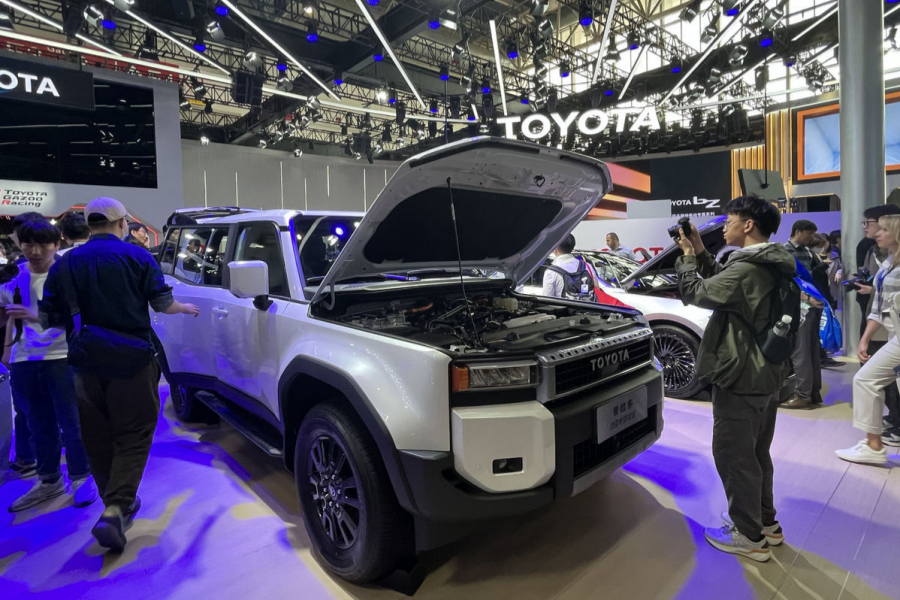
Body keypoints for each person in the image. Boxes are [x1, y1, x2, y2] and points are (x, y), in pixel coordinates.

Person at [39, 197, 199, 552]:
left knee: (96, 435)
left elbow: (48, 319)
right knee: (134, 433)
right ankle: (117, 506)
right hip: (132, 361)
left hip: (84, 363)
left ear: (89, 224)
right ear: (122, 223)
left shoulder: (65, 264)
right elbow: (162, 303)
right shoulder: (138, 256)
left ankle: (115, 503)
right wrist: (186, 307)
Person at [675, 196, 797, 562]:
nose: (723, 225)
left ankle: (748, 536)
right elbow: (730, 290)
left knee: (734, 456)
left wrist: (685, 258)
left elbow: (695, 293)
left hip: (741, 374)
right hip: (767, 372)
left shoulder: (747, 269)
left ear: (748, 225)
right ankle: (766, 524)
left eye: (729, 219)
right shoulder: (769, 262)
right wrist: (699, 250)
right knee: (757, 452)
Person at [1, 219, 98, 511]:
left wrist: (36, 315)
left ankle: (82, 477)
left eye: (43, 243)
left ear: (58, 244)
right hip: (24, 360)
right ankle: (49, 480)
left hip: (62, 357)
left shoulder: (68, 275)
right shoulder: (13, 277)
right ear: (19, 243)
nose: (35, 250)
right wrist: (7, 351)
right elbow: (9, 319)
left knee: (73, 422)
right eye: (28, 243)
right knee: (37, 425)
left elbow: (83, 317)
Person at [836, 214, 900, 463]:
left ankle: (873, 446)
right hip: (894, 334)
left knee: (865, 379)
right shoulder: (888, 263)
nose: (876, 233)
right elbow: (880, 305)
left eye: (883, 229)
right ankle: (873, 445)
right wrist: (864, 339)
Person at [4, 211, 44, 480]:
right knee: (27, 407)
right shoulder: (14, 271)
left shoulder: (57, 268)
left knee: (30, 408)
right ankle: (30, 458)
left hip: (52, 351)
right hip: (22, 352)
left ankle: (33, 459)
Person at [781, 220, 826, 409]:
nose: (812, 238)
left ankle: (806, 394)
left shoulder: (807, 252)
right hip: (801, 306)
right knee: (804, 352)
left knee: (807, 351)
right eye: (809, 234)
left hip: (807, 307)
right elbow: (786, 281)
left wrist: (808, 299)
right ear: (798, 231)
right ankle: (809, 393)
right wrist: (808, 298)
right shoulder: (784, 252)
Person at [543, 234, 582, 298]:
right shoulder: (587, 266)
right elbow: (595, 290)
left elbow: (547, 300)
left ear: (555, 249)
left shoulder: (551, 272)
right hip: (586, 307)